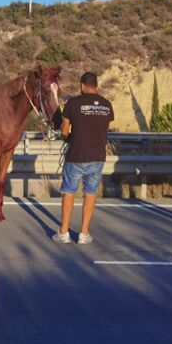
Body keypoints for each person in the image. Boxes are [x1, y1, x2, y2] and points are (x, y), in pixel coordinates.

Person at [52, 72, 114, 244]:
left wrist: (68, 137)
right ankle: (84, 234)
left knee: (69, 192)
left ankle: (63, 233)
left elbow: (65, 131)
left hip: (77, 155)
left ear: (82, 85)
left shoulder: (73, 103)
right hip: (97, 156)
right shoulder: (106, 105)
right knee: (90, 193)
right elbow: (102, 128)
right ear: (96, 86)